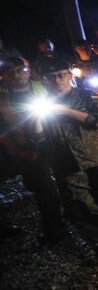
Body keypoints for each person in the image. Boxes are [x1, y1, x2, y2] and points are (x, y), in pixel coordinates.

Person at [35, 58, 98, 249]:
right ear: (45, 81)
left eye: (61, 75)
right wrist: (37, 118)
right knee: (83, 203)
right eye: (52, 77)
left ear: (69, 75)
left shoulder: (85, 96)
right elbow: (40, 138)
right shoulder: (44, 104)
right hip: (68, 162)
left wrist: (66, 111)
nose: (57, 80)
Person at [0, 57, 65, 244]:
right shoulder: (3, 99)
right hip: (28, 150)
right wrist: (21, 153)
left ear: (29, 70)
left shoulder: (42, 87)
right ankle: (54, 229)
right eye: (11, 72)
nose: (17, 74)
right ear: (4, 76)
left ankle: (75, 214)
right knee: (43, 190)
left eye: (21, 69)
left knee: (64, 181)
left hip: (54, 143)